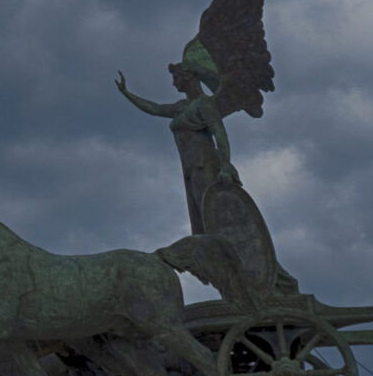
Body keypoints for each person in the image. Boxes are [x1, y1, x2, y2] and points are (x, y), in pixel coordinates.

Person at [117, 41, 299, 309]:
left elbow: (220, 137)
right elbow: (155, 108)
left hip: (207, 168)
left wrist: (226, 165)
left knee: (224, 229)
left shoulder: (205, 105)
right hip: (192, 172)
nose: (174, 83)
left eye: (176, 77)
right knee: (212, 232)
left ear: (188, 77)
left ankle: (277, 283)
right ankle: (238, 284)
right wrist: (127, 93)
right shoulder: (181, 107)